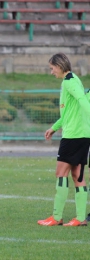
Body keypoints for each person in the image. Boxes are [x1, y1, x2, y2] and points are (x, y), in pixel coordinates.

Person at [37, 53, 90, 227]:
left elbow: (83, 100)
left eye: (52, 68)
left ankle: (57, 217)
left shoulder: (69, 82)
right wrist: (54, 127)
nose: (51, 72)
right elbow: (69, 112)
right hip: (82, 135)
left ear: (59, 66)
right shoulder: (73, 79)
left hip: (73, 136)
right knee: (77, 176)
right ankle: (80, 218)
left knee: (61, 173)